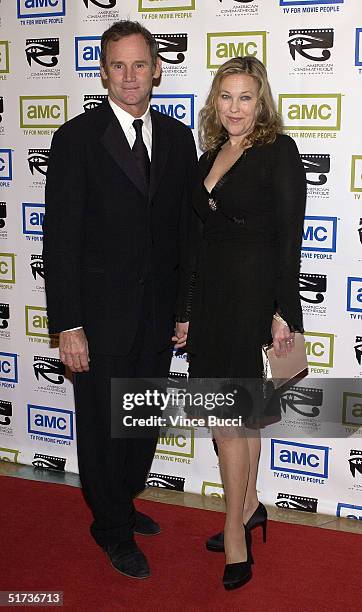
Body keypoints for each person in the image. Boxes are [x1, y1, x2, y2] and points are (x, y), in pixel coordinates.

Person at [43, 20, 197, 580]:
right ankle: (109, 528)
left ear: (157, 68)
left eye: (140, 64)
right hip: (99, 320)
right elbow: (59, 242)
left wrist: (184, 309)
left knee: (141, 424)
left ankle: (123, 503)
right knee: (104, 430)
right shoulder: (76, 139)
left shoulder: (179, 140)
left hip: (157, 318)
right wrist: (68, 325)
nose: (130, 76)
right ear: (103, 72)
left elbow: (184, 232)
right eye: (118, 65)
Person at [178, 56, 306, 590]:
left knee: (229, 416)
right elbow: (193, 239)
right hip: (210, 295)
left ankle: (234, 533)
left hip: (250, 295)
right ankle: (250, 505)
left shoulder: (279, 151)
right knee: (238, 413)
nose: (234, 107)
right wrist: (184, 310)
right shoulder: (209, 153)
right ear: (215, 101)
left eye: (245, 97)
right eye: (226, 96)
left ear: (261, 102)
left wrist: (284, 311)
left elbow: (288, 236)